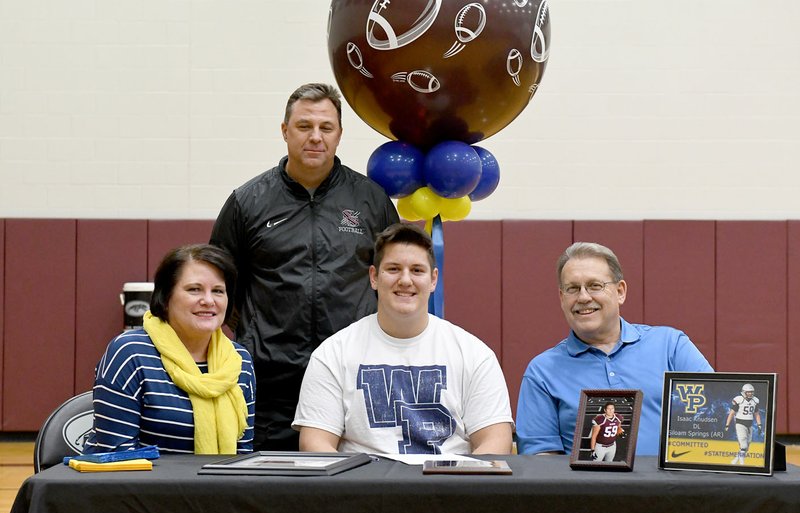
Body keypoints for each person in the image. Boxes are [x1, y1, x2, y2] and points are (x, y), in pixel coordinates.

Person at [210, 83, 399, 450]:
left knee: (353, 493)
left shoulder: (371, 200)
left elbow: (393, 278)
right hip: (271, 386)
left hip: (354, 377)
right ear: (284, 130)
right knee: (274, 494)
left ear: (340, 134)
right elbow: (218, 287)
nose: (316, 137)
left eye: (326, 128)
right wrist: (258, 336)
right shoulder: (247, 202)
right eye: (304, 126)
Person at [292, 223, 513, 455]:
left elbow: (496, 443)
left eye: (417, 270)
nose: (406, 280)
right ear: (374, 277)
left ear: (433, 280)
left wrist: (453, 489)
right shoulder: (333, 354)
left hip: (449, 486)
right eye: (394, 269)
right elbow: (314, 444)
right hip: (364, 488)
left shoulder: (474, 354)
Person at [516, 242, 713, 456]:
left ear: (620, 291)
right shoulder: (542, 372)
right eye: (573, 288)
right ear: (562, 298)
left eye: (595, 286)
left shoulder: (671, 346)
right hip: (586, 489)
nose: (583, 297)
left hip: (674, 487)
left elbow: (714, 419)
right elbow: (541, 460)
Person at [83, 244, 255, 454]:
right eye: (194, 289)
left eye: (218, 291)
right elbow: (117, 458)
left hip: (216, 486)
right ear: (165, 298)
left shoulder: (239, 361)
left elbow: (242, 456)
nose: (209, 301)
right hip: (135, 485)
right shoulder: (130, 353)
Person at [725, 383, 762, 465]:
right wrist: (727, 425)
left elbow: (756, 413)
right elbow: (731, 413)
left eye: (751, 392)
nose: (750, 394)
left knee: (746, 447)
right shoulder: (739, 400)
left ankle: (735, 459)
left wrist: (759, 425)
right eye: (748, 392)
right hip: (740, 423)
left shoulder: (755, 400)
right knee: (743, 445)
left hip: (750, 424)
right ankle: (742, 462)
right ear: (744, 392)